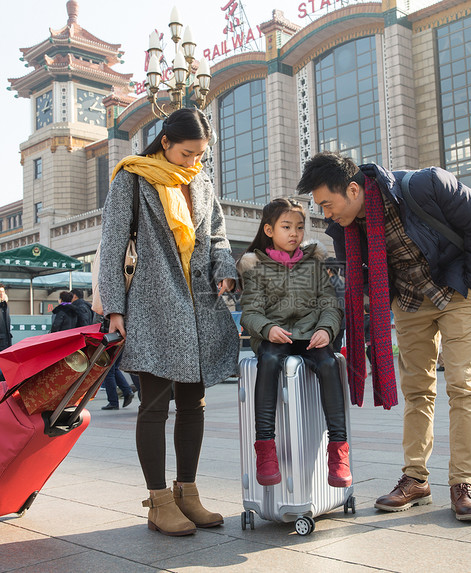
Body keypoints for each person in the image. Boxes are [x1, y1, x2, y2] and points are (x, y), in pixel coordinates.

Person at [299, 152, 471, 522]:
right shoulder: (344, 228)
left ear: (353, 189)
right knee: (417, 390)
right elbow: (351, 286)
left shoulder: (426, 185)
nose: (325, 213)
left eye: (327, 203)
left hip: (456, 293)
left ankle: (463, 483)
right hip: (409, 302)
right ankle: (416, 478)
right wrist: (328, 326)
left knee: (462, 386)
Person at [99, 107, 239, 537]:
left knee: (193, 405)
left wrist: (224, 268)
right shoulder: (133, 177)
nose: (194, 161)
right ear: (165, 142)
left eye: (200, 154)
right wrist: (114, 309)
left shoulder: (200, 179)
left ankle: (187, 493)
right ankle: (159, 501)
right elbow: (112, 243)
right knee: (154, 405)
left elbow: (217, 233)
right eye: (187, 153)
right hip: (152, 304)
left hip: (197, 305)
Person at [238, 198, 348, 488]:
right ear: (270, 230)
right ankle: (265, 449)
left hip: (311, 334)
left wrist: (326, 328)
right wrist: (267, 328)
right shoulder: (257, 266)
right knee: (270, 360)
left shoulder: (313, 264)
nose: (294, 233)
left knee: (328, 362)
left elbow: (329, 303)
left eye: (299, 227)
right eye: (286, 227)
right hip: (275, 336)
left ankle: (338, 451)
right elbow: (249, 314)